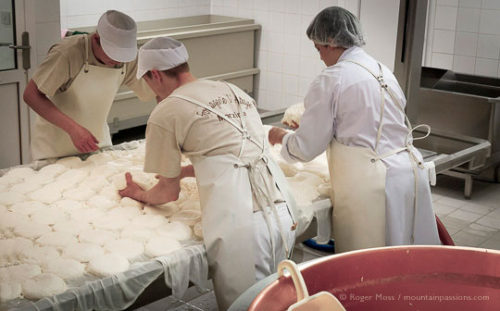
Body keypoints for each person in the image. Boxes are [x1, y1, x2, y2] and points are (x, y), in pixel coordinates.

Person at [118, 36, 298, 310]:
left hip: (243, 224)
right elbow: (232, 154)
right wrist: (185, 172)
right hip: (283, 210)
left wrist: (139, 194)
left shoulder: (166, 111)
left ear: (155, 74)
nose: (150, 91)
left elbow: (168, 192)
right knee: (280, 301)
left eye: (147, 81)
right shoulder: (231, 90)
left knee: (247, 305)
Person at [268, 6, 441, 253]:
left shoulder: (332, 78)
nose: (319, 57)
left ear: (331, 41)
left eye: (318, 49)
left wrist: (281, 137)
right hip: (409, 173)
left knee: (372, 266)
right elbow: (368, 122)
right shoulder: (382, 70)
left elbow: (305, 149)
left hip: (373, 185)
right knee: (409, 261)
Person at [23, 10, 155, 160]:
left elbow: (155, 90)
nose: (118, 62)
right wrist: (73, 129)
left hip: (97, 143)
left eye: (122, 57)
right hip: (54, 149)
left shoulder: (127, 59)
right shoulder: (67, 53)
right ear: (96, 39)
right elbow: (31, 95)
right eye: (113, 55)